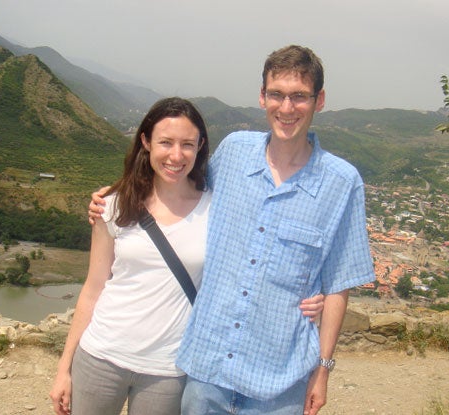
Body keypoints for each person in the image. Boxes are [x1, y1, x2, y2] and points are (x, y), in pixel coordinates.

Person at [89, 45, 373, 415]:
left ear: (319, 101)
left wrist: (323, 370)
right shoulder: (234, 152)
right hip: (207, 373)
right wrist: (115, 193)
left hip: (279, 385)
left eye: (299, 96)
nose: (286, 108)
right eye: (277, 94)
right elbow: (176, 181)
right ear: (262, 96)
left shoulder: (342, 183)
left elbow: (337, 285)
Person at [52, 97, 324, 415]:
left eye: (187, 145)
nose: (176, 155)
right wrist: (64, 367)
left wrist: (304, 294)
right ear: (146, 142)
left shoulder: (216, 209)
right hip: (100, 355)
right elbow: (93, 288)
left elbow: (258, 255)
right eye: (165, 142)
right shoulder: (113, 205)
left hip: (168, 370)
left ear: (200, 147)